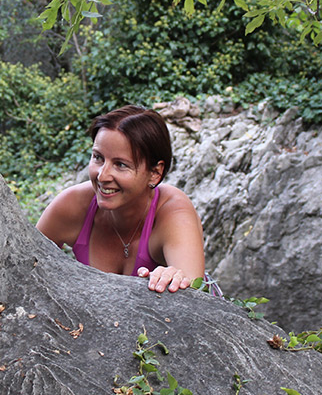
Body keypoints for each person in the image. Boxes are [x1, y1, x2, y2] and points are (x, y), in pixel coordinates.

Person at [37, 105, 205, 293]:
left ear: (155, 173)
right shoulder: (72, 205)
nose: (102, 176)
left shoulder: (173, 213)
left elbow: (192, 289)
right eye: (98, 157)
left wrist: (175, 277)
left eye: (120, 165)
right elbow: (25, 263)